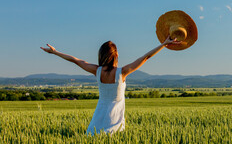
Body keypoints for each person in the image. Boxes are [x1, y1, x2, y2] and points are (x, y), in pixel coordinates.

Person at [40, 36, 180, 135]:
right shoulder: (122, 72)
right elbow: (145, 57)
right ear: (116, 56)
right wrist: (163, 44)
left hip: (97, 122)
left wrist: (55, 52)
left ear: (101, 55)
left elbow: (75, 60)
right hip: (115, 121)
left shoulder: (97, 71)